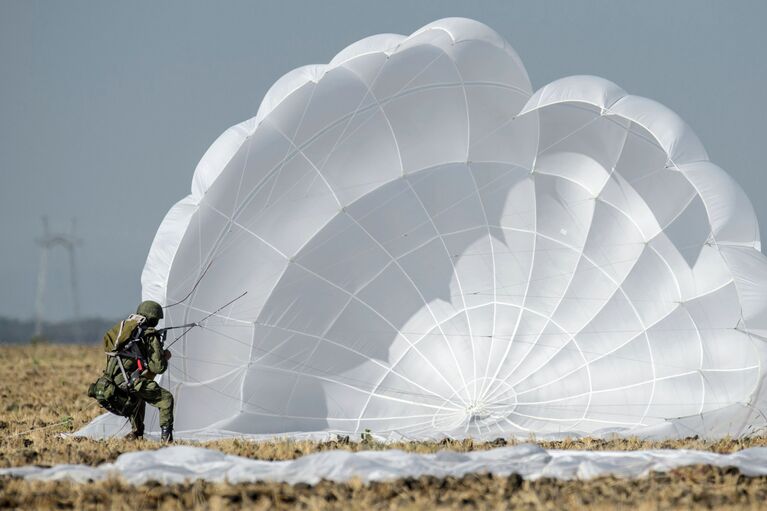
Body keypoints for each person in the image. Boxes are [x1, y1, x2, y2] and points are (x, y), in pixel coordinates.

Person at [100, 300, 174, 442]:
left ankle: (136, 434)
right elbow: (157, 368)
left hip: (113, 380)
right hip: (130, 381)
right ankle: (167, 440)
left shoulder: (127, 331)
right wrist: (165, 355)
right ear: (153, 318)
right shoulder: (148, 334)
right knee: (166, 399)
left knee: (139, 397)